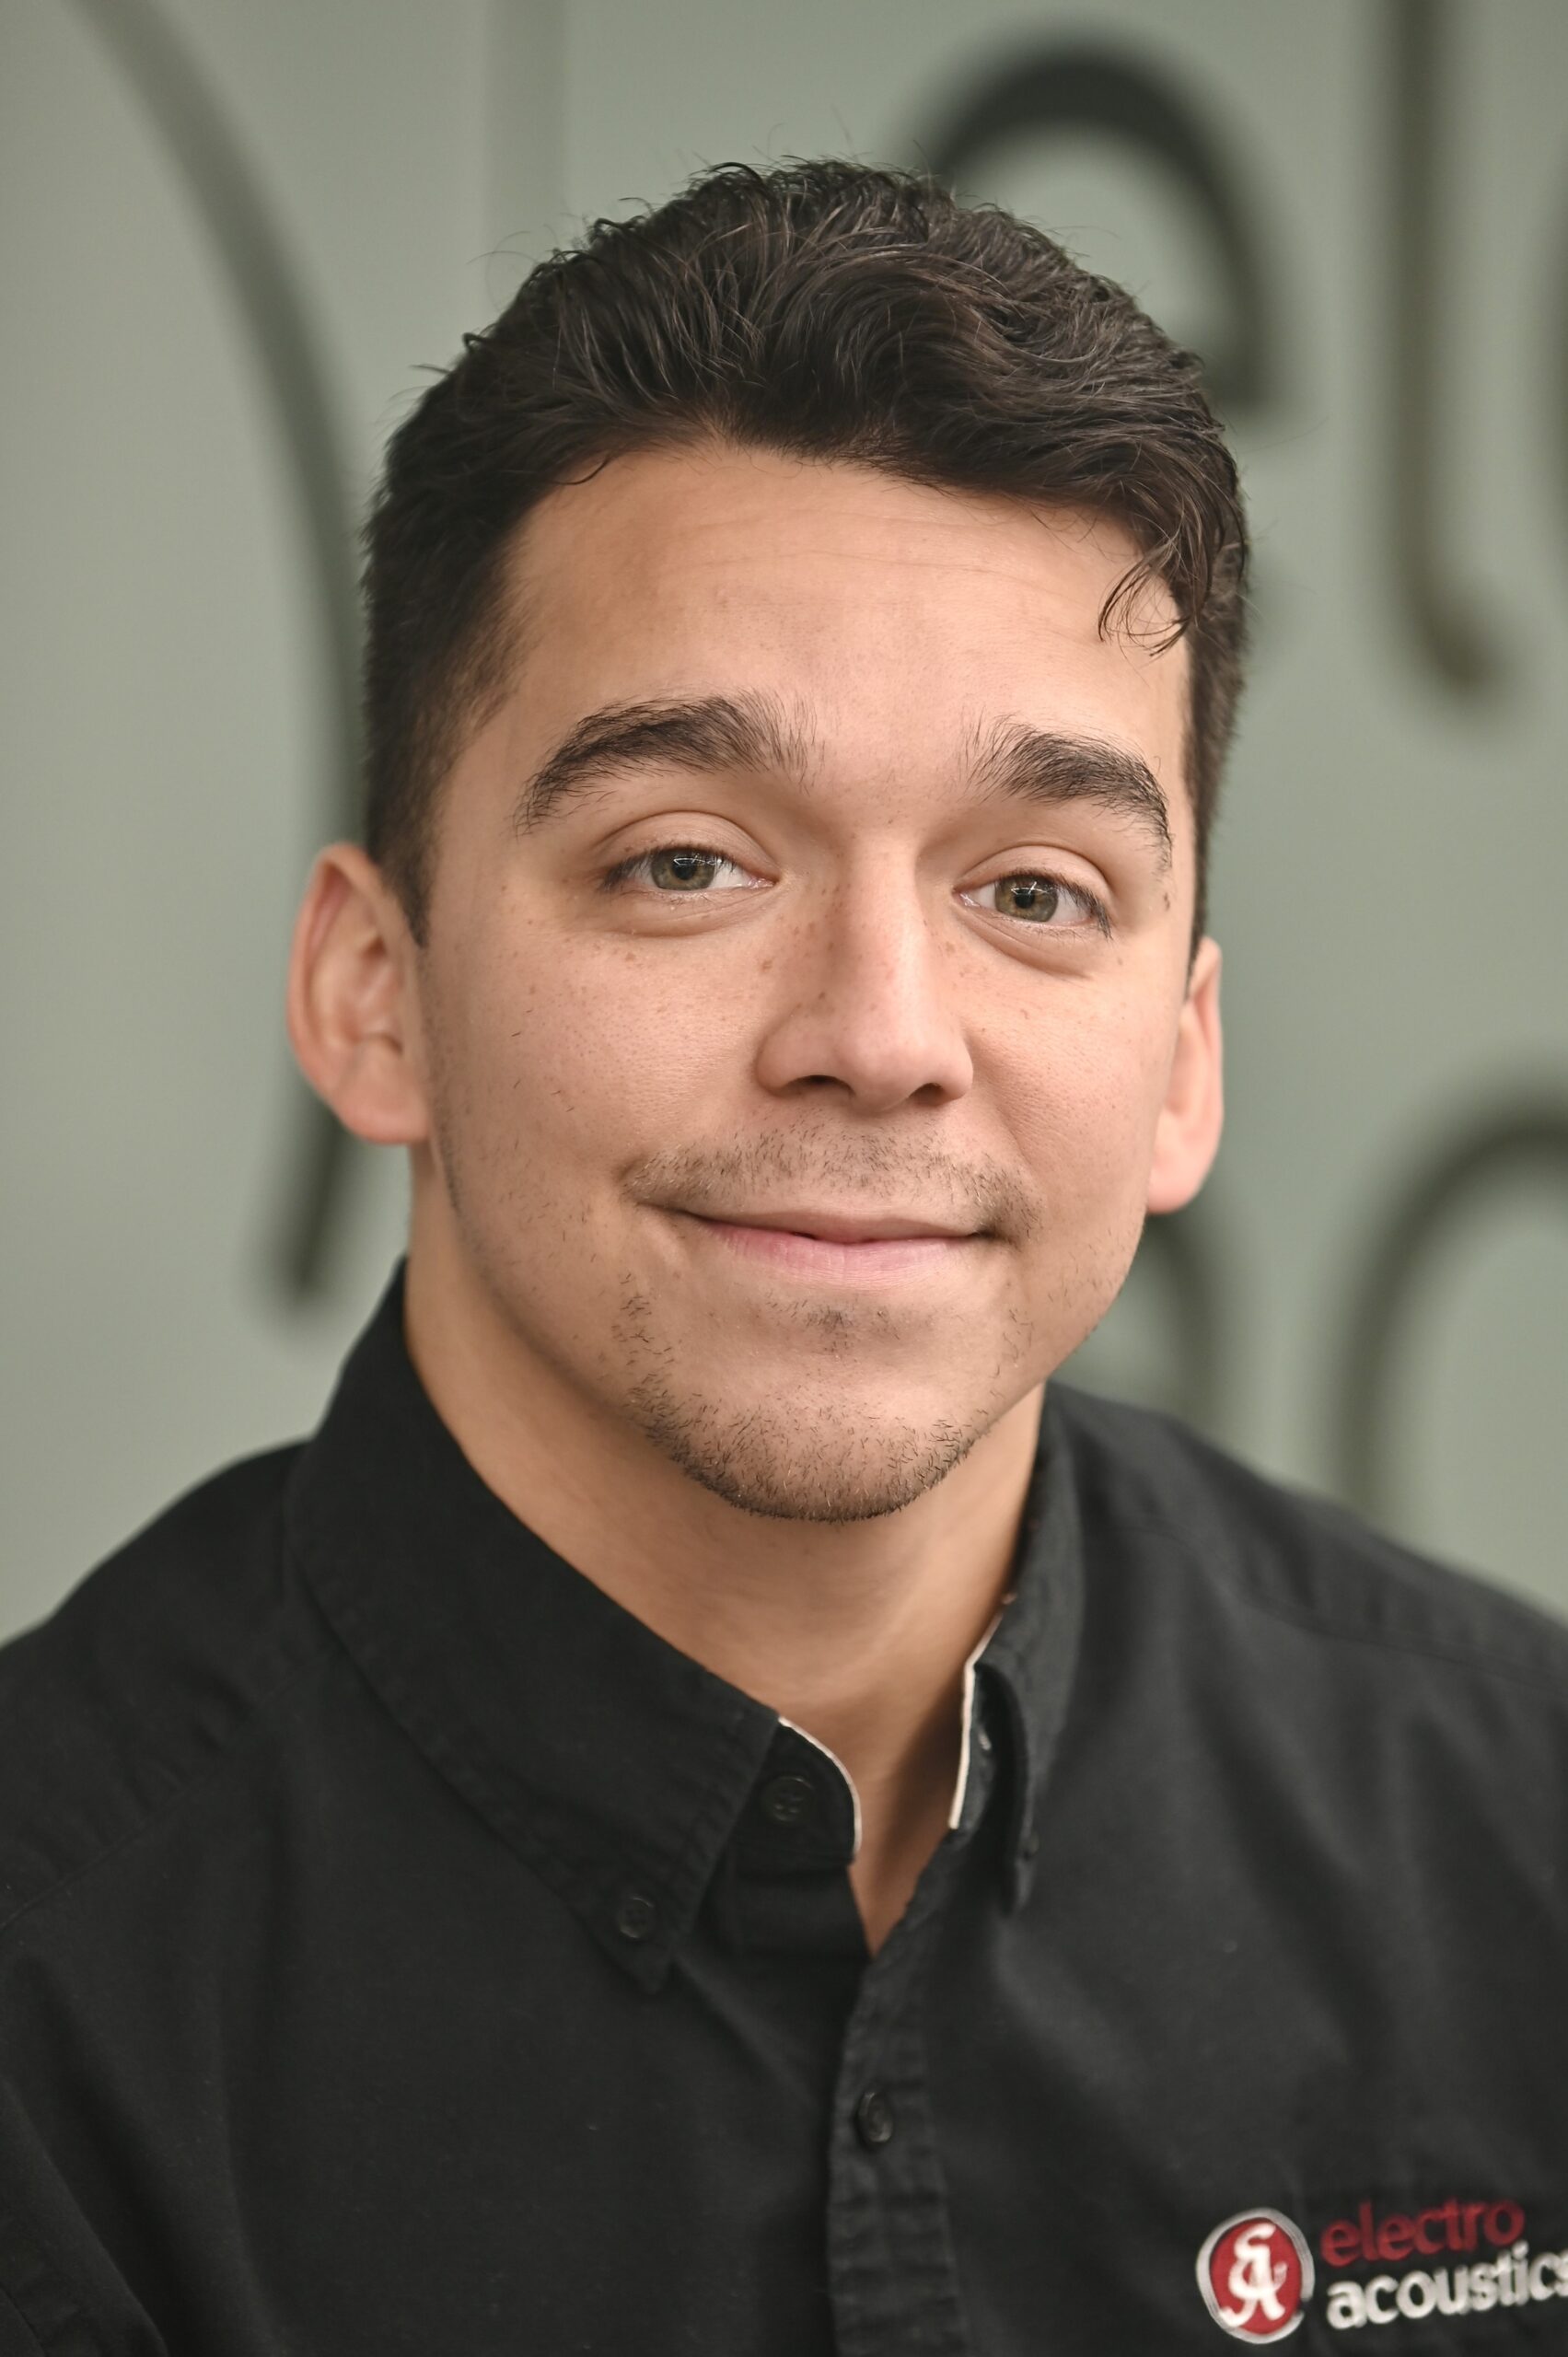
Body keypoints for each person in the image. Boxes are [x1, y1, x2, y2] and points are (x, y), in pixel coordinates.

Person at [1, 159, 1564, 2357]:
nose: (882, 1038)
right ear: (376, 988)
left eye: (1036, 891)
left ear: (1186, 1059)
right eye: (689, 861)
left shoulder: (1517, 1831)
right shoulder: (54, 2021)